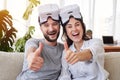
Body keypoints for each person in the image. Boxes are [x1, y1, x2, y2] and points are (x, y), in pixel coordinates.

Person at [58, 4, 109, 80]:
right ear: (66, 32)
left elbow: (91, 53)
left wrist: (78, 56)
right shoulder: (66, 52)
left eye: (77, 24)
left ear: (82, 26)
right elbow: (64, 76)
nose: (74, 29)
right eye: (69, 26)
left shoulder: (96, 43)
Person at [16, 4, 64, 80]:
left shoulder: (64, 49)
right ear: (41, 28)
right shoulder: (33, 42)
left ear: (59, 26)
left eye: (54, 24)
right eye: (46, 25)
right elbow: (31, 51)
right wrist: (31, 57)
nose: (51, 29)